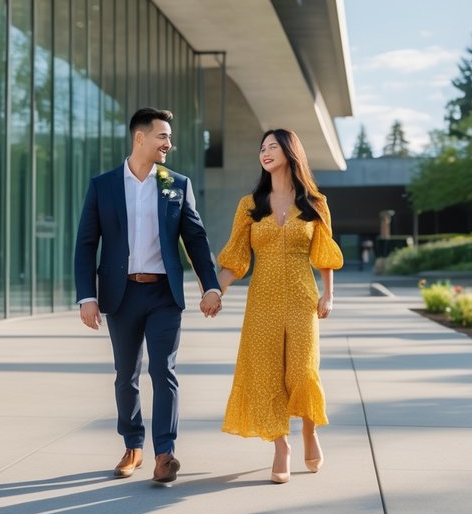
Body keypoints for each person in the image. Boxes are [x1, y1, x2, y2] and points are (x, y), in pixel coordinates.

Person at [74, 107, 223, 484]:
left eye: (169, 138)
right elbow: (86, 244)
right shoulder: (103, 185)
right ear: (140, 138)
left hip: (163, 295)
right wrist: (86, 297)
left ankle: (165, 454)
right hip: (120, 295)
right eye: (162, 136)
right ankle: (133, 445)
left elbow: (196, 240)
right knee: (126, 375)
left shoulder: (176, 184)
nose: (169, 144)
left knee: (164, 371)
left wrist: (211, 285)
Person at [216, 128, 343, 484]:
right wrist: (216, 292)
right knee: (268, 375)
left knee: (303, 371)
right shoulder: (250, 205)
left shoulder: (315, 202)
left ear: (290, 152)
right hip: (262, 301)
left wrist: (328, 294)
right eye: (262, 148)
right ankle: (281, 447)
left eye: (273, 146)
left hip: (303, 299)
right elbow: (236, 259)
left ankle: (309, 430)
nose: (266, 152)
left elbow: (325, 255)